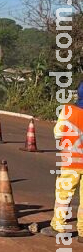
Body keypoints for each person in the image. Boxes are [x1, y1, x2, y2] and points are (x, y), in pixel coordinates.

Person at [46, 79, 83, 243]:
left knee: (64, 195)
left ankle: (58, 226)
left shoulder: (68, 110)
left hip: (70, 162)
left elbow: (58, 133)